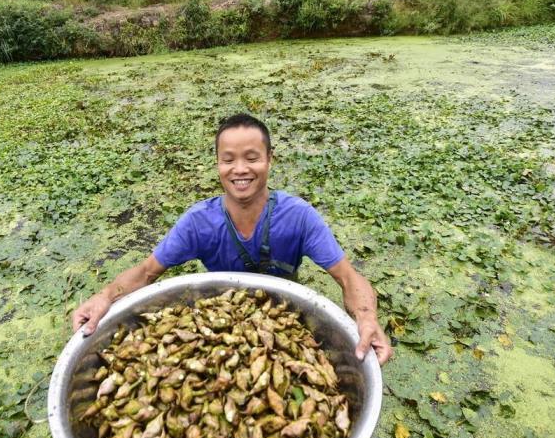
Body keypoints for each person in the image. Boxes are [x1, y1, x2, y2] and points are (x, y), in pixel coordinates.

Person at [72, 114, 393, 365]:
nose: (240, 169)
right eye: (228, 159)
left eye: (252, 157)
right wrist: (105, 296)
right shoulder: (198, 223)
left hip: (283, 320)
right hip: (219, 325)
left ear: (270, 159)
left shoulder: (299, 217)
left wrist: (366, 319)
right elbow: (146, 272)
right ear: (217, 164)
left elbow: (349, 278)